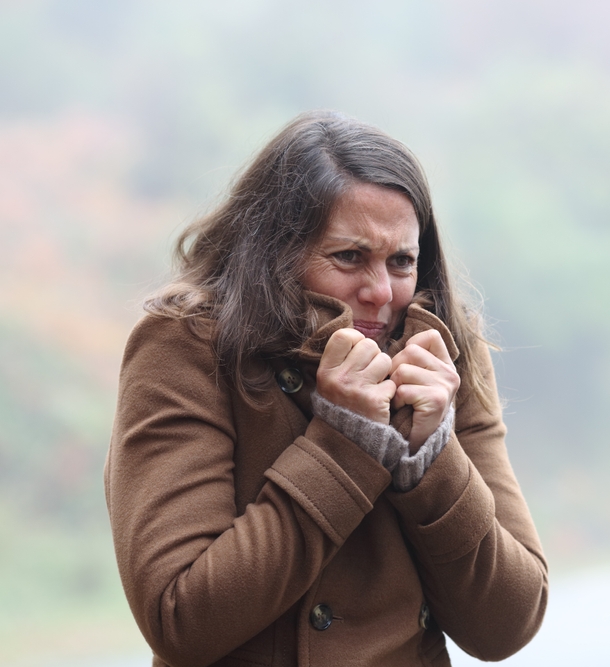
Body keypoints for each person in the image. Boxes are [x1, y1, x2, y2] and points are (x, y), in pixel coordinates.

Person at [105, 111, 548, 667]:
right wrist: (344, 442)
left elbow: (509, 626)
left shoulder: (442, 355)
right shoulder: (187, 347)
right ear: (273, 252)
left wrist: (433, 458)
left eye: (402, 261)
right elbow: (179, 618)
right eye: (349, 257)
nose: (380, 291)